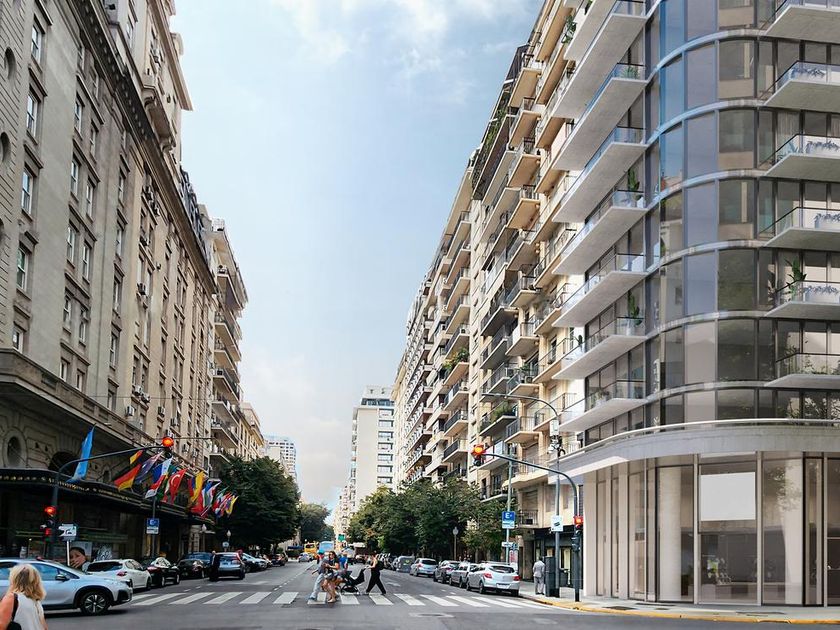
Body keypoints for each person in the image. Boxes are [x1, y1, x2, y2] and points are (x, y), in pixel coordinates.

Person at [0, 564, 48, 630]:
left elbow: (1, 626)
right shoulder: (36, 601)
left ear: (14, 579)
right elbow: (44, 627)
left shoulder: (12, 598)